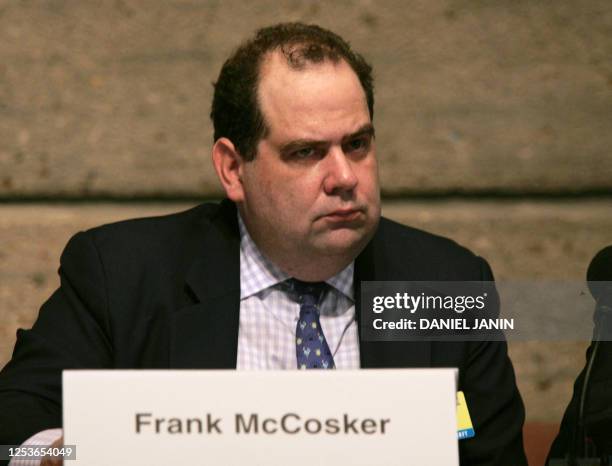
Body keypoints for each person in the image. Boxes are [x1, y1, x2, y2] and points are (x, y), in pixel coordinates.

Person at [0, 22, 527, 465]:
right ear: (233, 169)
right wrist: (60, 453)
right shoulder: (124, 273)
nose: (344, 175)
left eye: (358, 144)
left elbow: (492, 454)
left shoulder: (448, 284)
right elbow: (11, 437)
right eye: (305, 152)